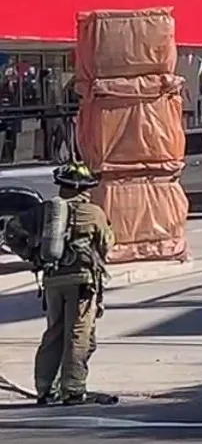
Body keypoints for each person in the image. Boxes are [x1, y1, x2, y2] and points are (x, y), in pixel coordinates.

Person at [33, 163, 118, 406]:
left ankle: (45, 389)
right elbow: (106, 245)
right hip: (82, 282)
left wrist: (33, 255)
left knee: (54, 332)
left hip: (52, 281)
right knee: (78, 333)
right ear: (83, 188)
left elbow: (13, 232)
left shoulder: (45, 212)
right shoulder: (93, 213)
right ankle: (72, 389)